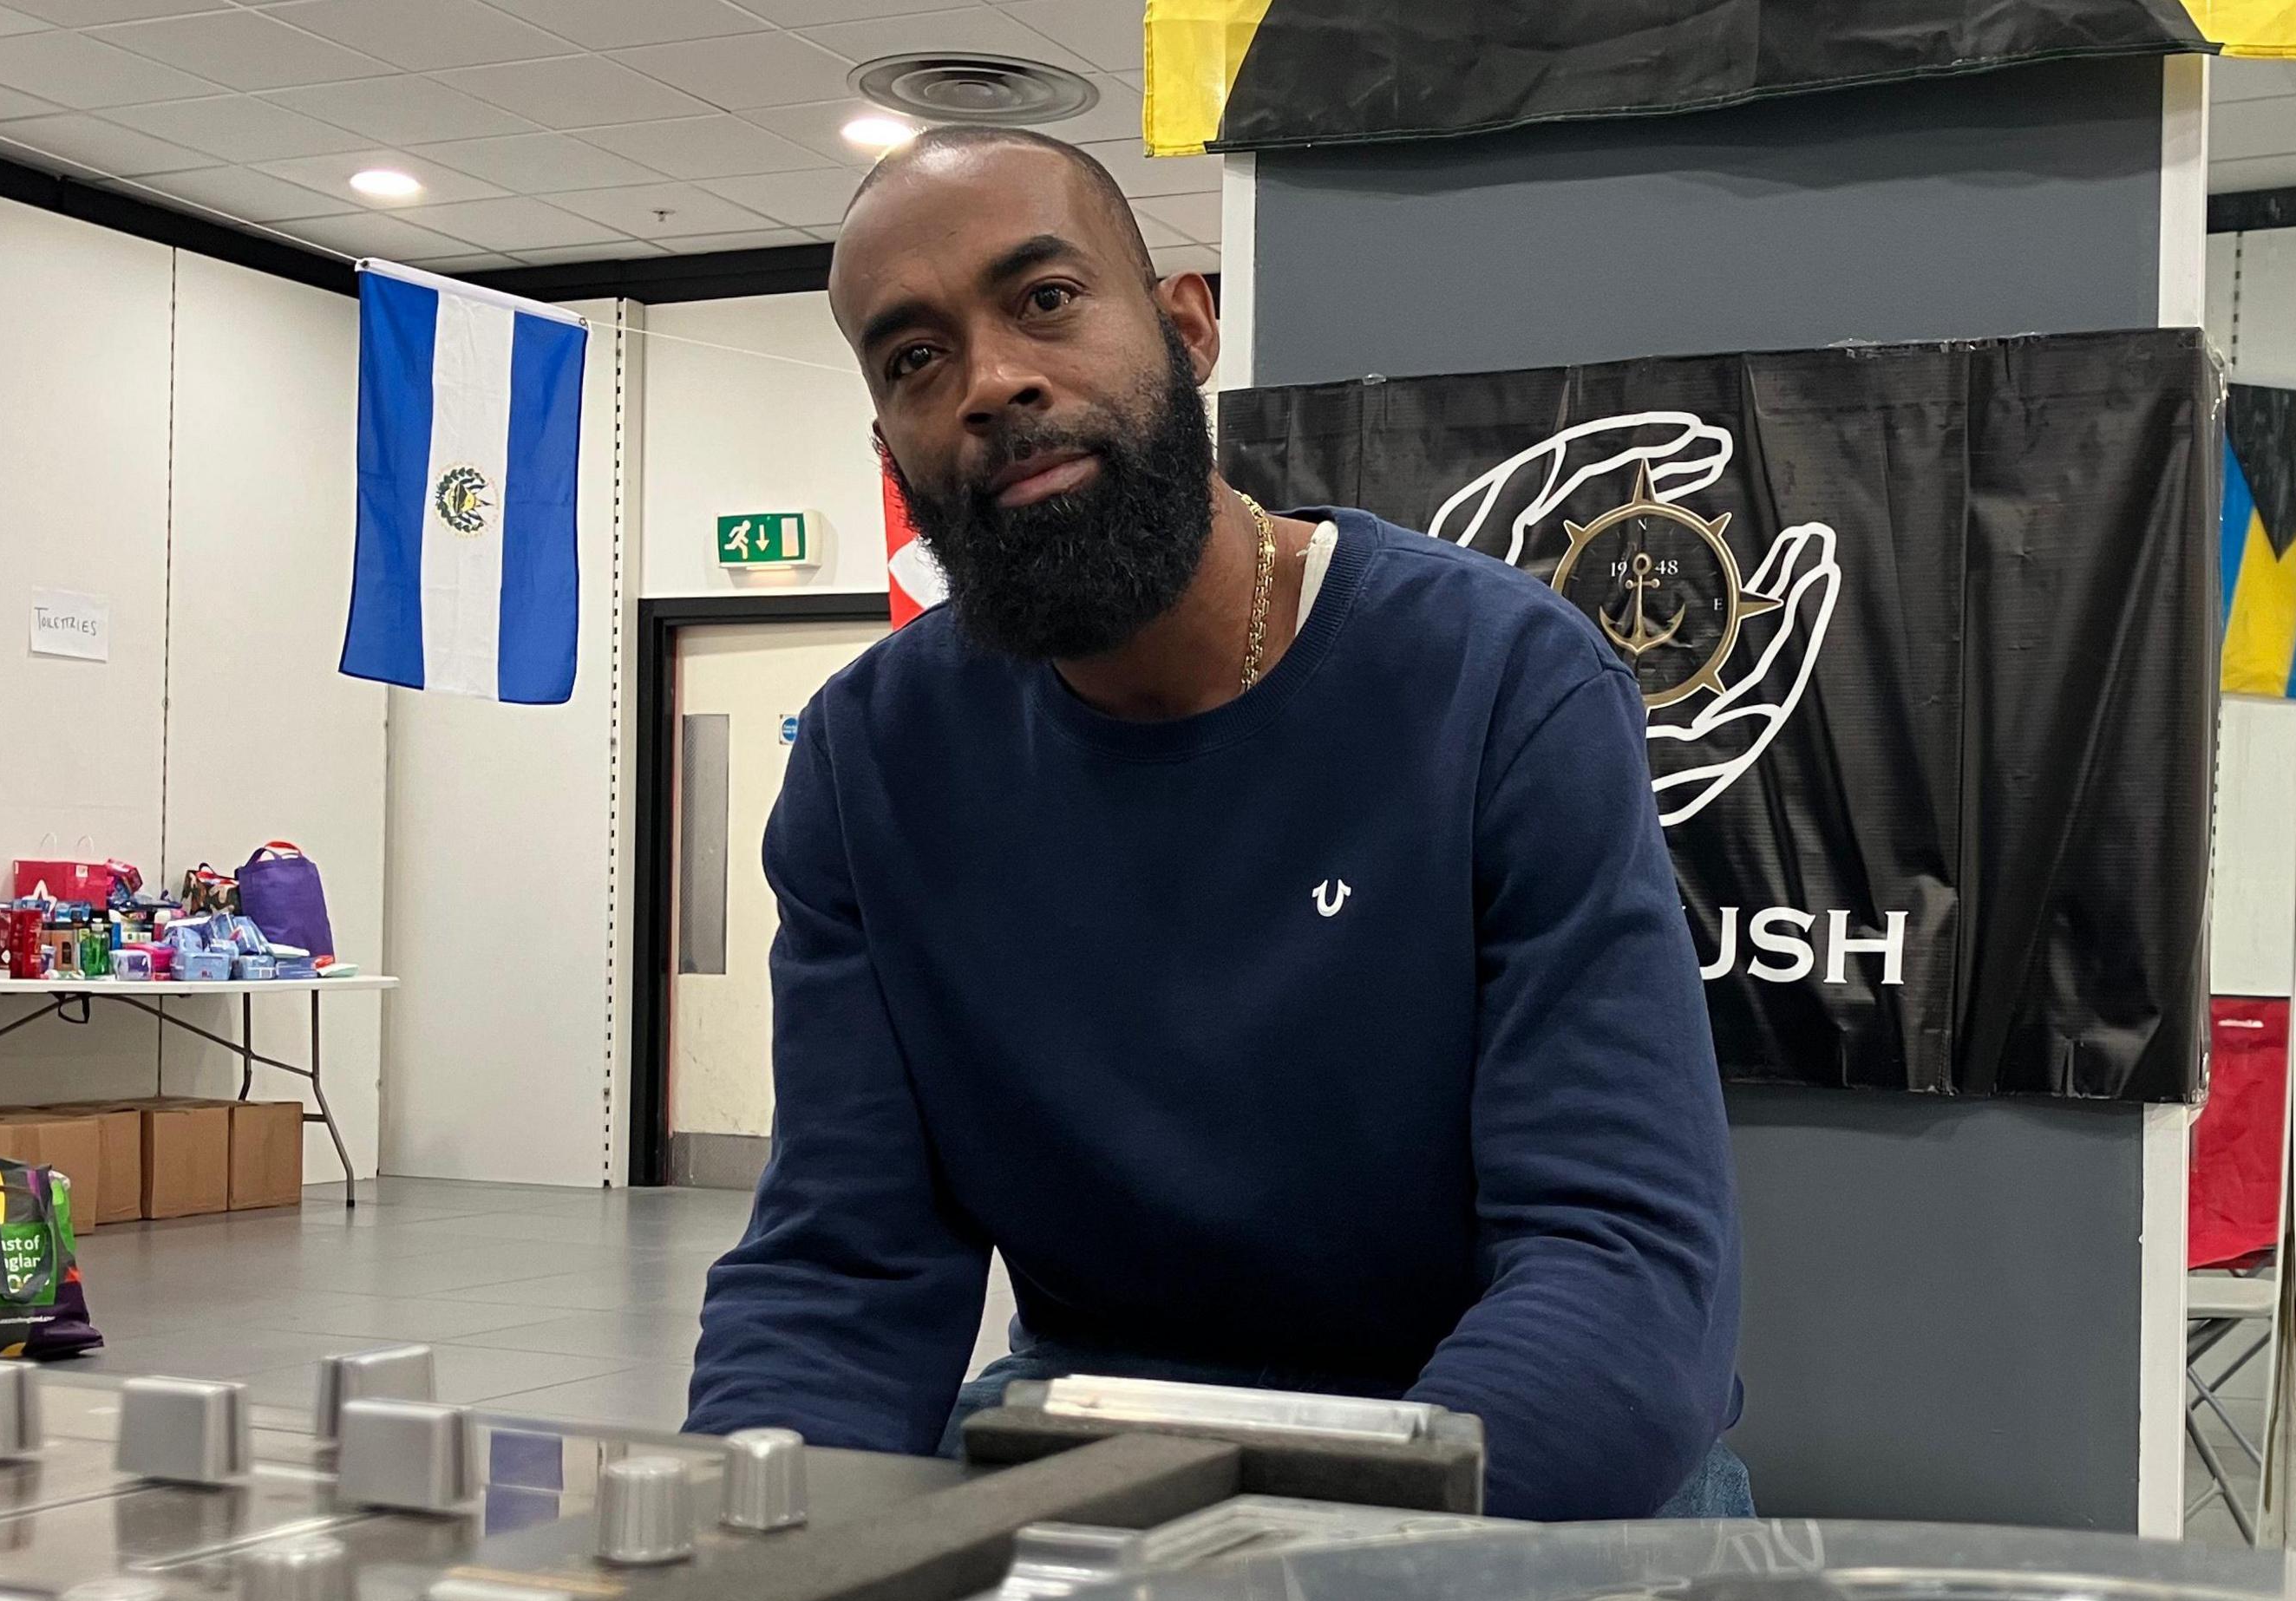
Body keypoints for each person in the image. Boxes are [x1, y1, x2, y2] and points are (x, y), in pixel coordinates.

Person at [679, 127, 1747, 1520]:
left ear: (1187, 328)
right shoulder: (868, 759)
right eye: (916, 357)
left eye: (1046, 299)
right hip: (1104, 1417)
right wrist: (736, 1559)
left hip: (1495, 1446)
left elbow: (1622, 1269)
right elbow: (842, 1269)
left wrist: (1299, 1584)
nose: (995, 379)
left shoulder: (1502, 686)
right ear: (893, 446)